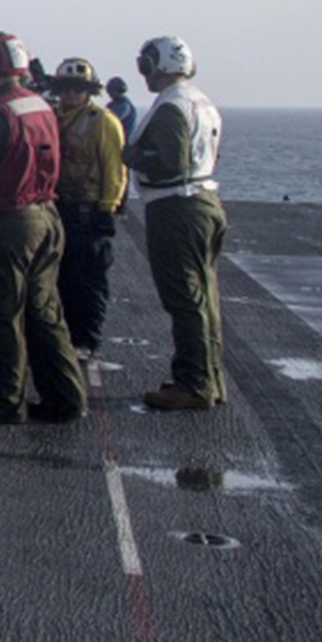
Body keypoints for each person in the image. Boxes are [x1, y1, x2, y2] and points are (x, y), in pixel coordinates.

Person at [0, 33, 85, 426]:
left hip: (7, 221)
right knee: (44, 312)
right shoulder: (41, 105)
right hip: (46, 216)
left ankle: (4, 401)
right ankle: (66, 396)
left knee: (1, 313)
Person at [124, 35, 228, 411]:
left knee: (184, 297)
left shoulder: (171, 106)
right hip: (203, 201)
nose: (144, 73)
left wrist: (131, 156)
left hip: (176, 207)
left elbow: (170, 162)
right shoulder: (202, 103)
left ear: (161, 64)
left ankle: (192, 384)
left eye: (146, 64)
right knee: (205, 297)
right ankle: (209, 378)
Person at [48, 59, 126, 360]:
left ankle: (88, 340)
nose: (71, 94)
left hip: (89, 211)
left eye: (78, 89)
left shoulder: (102, 121)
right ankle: (65, 336)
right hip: (60, 208)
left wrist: (108, 208)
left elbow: (115, 167)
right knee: (61, 278)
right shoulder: (53, 118)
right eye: (66, 88)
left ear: (89, 91)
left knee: (90, 280)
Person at [105, 76, 139, 140]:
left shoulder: (124, 105)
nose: (110, 94)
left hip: (123, 140)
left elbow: (112, 120)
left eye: (112, 91)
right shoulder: (110, 105)